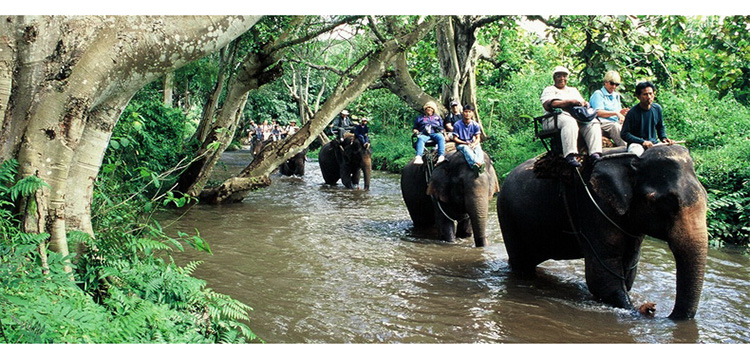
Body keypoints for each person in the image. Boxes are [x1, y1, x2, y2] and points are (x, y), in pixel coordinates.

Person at [540, 65, 603, 167]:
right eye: (559, 76)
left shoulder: (573, 90)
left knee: (593, 122)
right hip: (554, 118)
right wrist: (569, 102)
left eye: (564, 76)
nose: (562, 79)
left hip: (575, 116)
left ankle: (595, 153)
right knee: (569, 122)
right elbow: (548, 105)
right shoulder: (550, 90)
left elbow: (582, 102)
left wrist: (584, 103)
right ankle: (570, 155)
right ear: (554, 78)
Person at [621, 81, 674, 156]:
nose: (649, 97)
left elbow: (660, 126)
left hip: (653, 143)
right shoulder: (632, 113)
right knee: (634, 154)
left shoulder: (657, 108)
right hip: (637, 144)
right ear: (638, 96)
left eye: (650, 93)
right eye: (645, 94)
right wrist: (642, 142)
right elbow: (624, 134)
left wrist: (664, 138)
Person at [589, 70, 628, 147]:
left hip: (614, 121)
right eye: (612, 83)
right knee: (615, 127)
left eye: (616, 85)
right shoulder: (598, 94)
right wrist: (615, 113)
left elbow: (617, 113)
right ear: (605, 82)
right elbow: (598, 112)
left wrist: (621, 113)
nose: (614, 87)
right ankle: (626, 147)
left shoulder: (616, 95)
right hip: (602, 122)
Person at [452, 104, 485, 173]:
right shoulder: (457, 124)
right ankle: (474, 164)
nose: (467, 114)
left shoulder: (475, 125)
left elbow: (478, 138)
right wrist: (464, 143)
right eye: (466, 112)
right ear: (463, 112)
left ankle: (480, 163)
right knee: (466, 149)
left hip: (471, 142)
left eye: (469, 112)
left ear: (472, 113)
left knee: (478, 147)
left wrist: (474, 144)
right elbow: (455, 138)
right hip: (461, 144)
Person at [412, 101, 446, 165]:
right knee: (421, 138)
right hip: (425, 134)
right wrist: (415, 131)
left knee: (441, 137)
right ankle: (419, 156)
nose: (429, 109)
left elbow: (442, 127)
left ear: (433, 110)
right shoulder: (420, 117)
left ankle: (441, 155)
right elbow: (415, 127)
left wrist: (442, 132)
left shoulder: (437, 117)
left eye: (431, 108)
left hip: (435, 133)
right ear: (425, 109)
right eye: (428, 108)